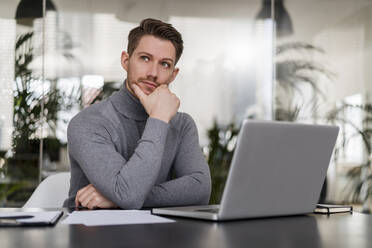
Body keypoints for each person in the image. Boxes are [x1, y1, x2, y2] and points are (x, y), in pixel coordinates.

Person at [63, 18, 211, 209]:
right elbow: (128, 195)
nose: (153, 73)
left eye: (165, 64)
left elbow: (200, 190)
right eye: (145, 58)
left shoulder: (182, 124)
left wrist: (117, 198)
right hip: (91, 232)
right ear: (126, 61)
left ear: (173, 74)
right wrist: (158, 118)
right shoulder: (88, 123)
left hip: (156, 234)